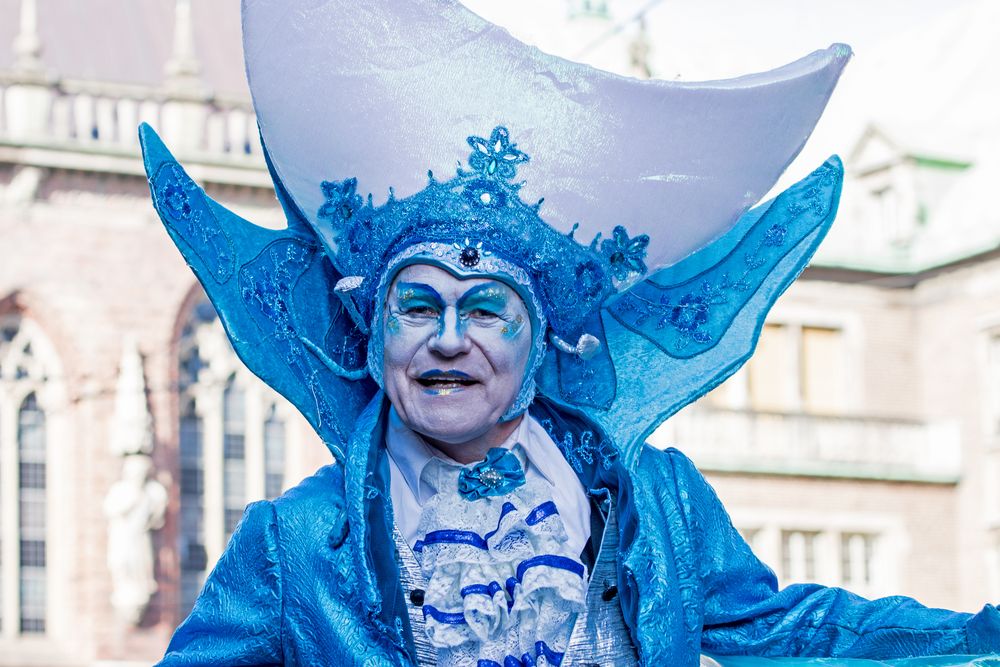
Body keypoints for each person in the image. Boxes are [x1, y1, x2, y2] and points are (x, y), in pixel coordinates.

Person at [143, 1, 1000, 665]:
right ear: (374, 341)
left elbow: (792, 626)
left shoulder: (656, 503)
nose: (448, 339)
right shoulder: (290, 545)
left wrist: (977, 630)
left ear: (537, 343)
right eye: (417, 308)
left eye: (484, 310)